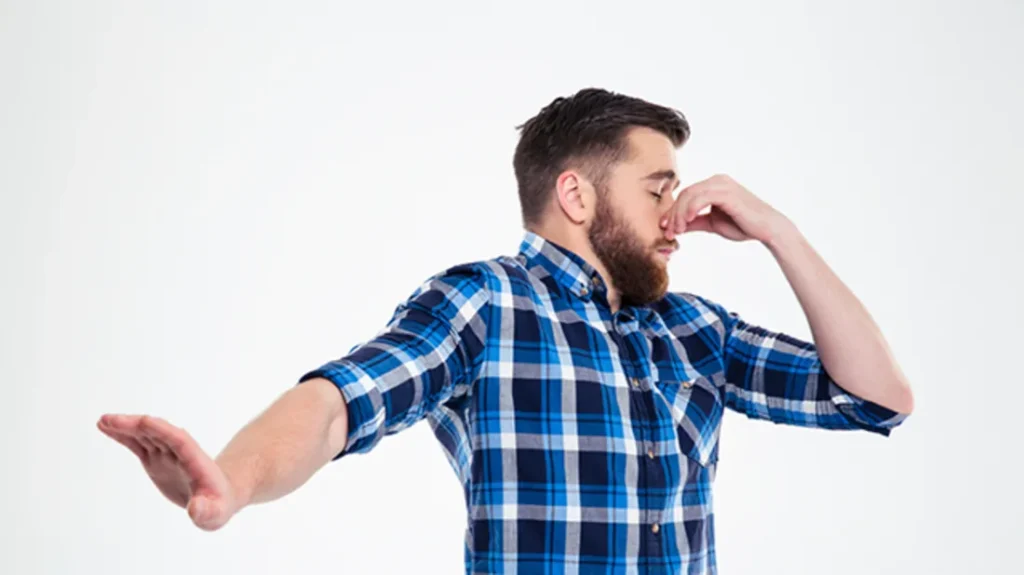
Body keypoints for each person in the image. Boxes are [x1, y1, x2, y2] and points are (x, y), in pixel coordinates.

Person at [97, 87, 913, 574]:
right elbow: (340, 403)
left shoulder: (692, 329)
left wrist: (780, 232)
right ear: (577, 195)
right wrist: (233, 481)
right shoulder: (483, 305)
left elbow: (878, 398)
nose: (679, 215)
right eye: (658, 188)